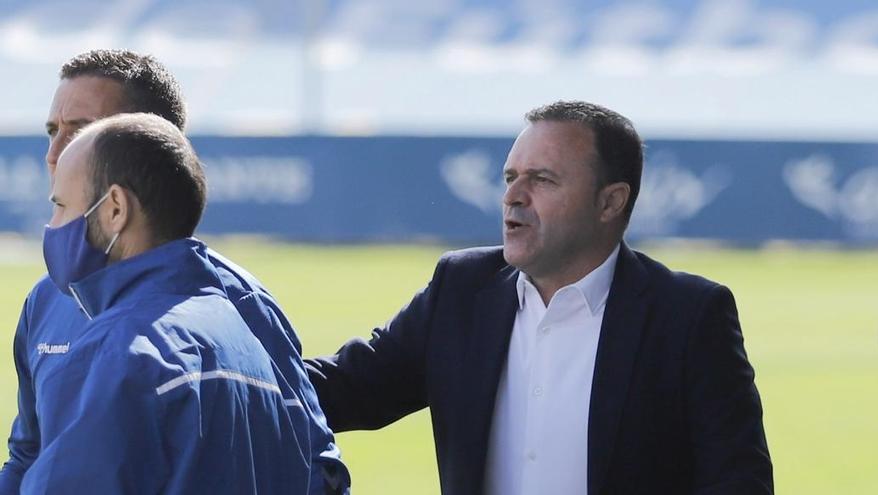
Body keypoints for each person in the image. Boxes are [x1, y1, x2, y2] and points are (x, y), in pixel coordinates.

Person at [307, 101, 774, 494]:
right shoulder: (461, 289)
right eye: (510, 177)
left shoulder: (688, 318)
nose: (513, 196)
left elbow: (739, 481)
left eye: (542, 179)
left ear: (610, 202)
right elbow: (345, 388)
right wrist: (237, 368)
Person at [0, 49, 349, 494]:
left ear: (149, 139)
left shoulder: (234, 303)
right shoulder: (46, 301)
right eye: (52, 132)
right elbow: (29, 453)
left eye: (81, 132)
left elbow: (314, 464)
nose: (53, 154)